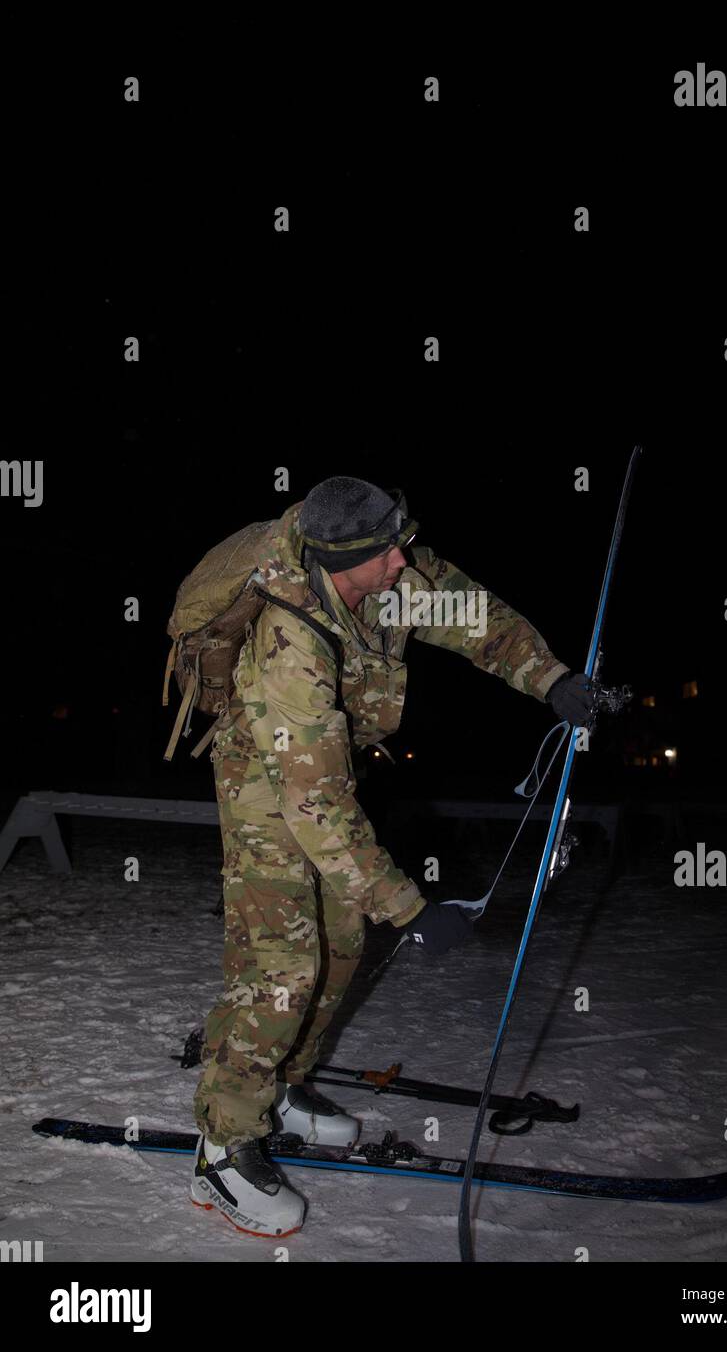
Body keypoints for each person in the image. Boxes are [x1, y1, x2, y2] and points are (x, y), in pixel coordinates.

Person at [190, 476, 595, 1236]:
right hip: (265, 776)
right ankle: (223, 1142)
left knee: (343, 943)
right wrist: (409, 907)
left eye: (404, 546)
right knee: (281, 966)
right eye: (390, 555)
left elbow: (473, 617)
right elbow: (312, 804)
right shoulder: (289, 644)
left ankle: (287, 1086)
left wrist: (553, 679)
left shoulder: (387, 572)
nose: (407, 564)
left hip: (321, 767)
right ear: (344, 564)